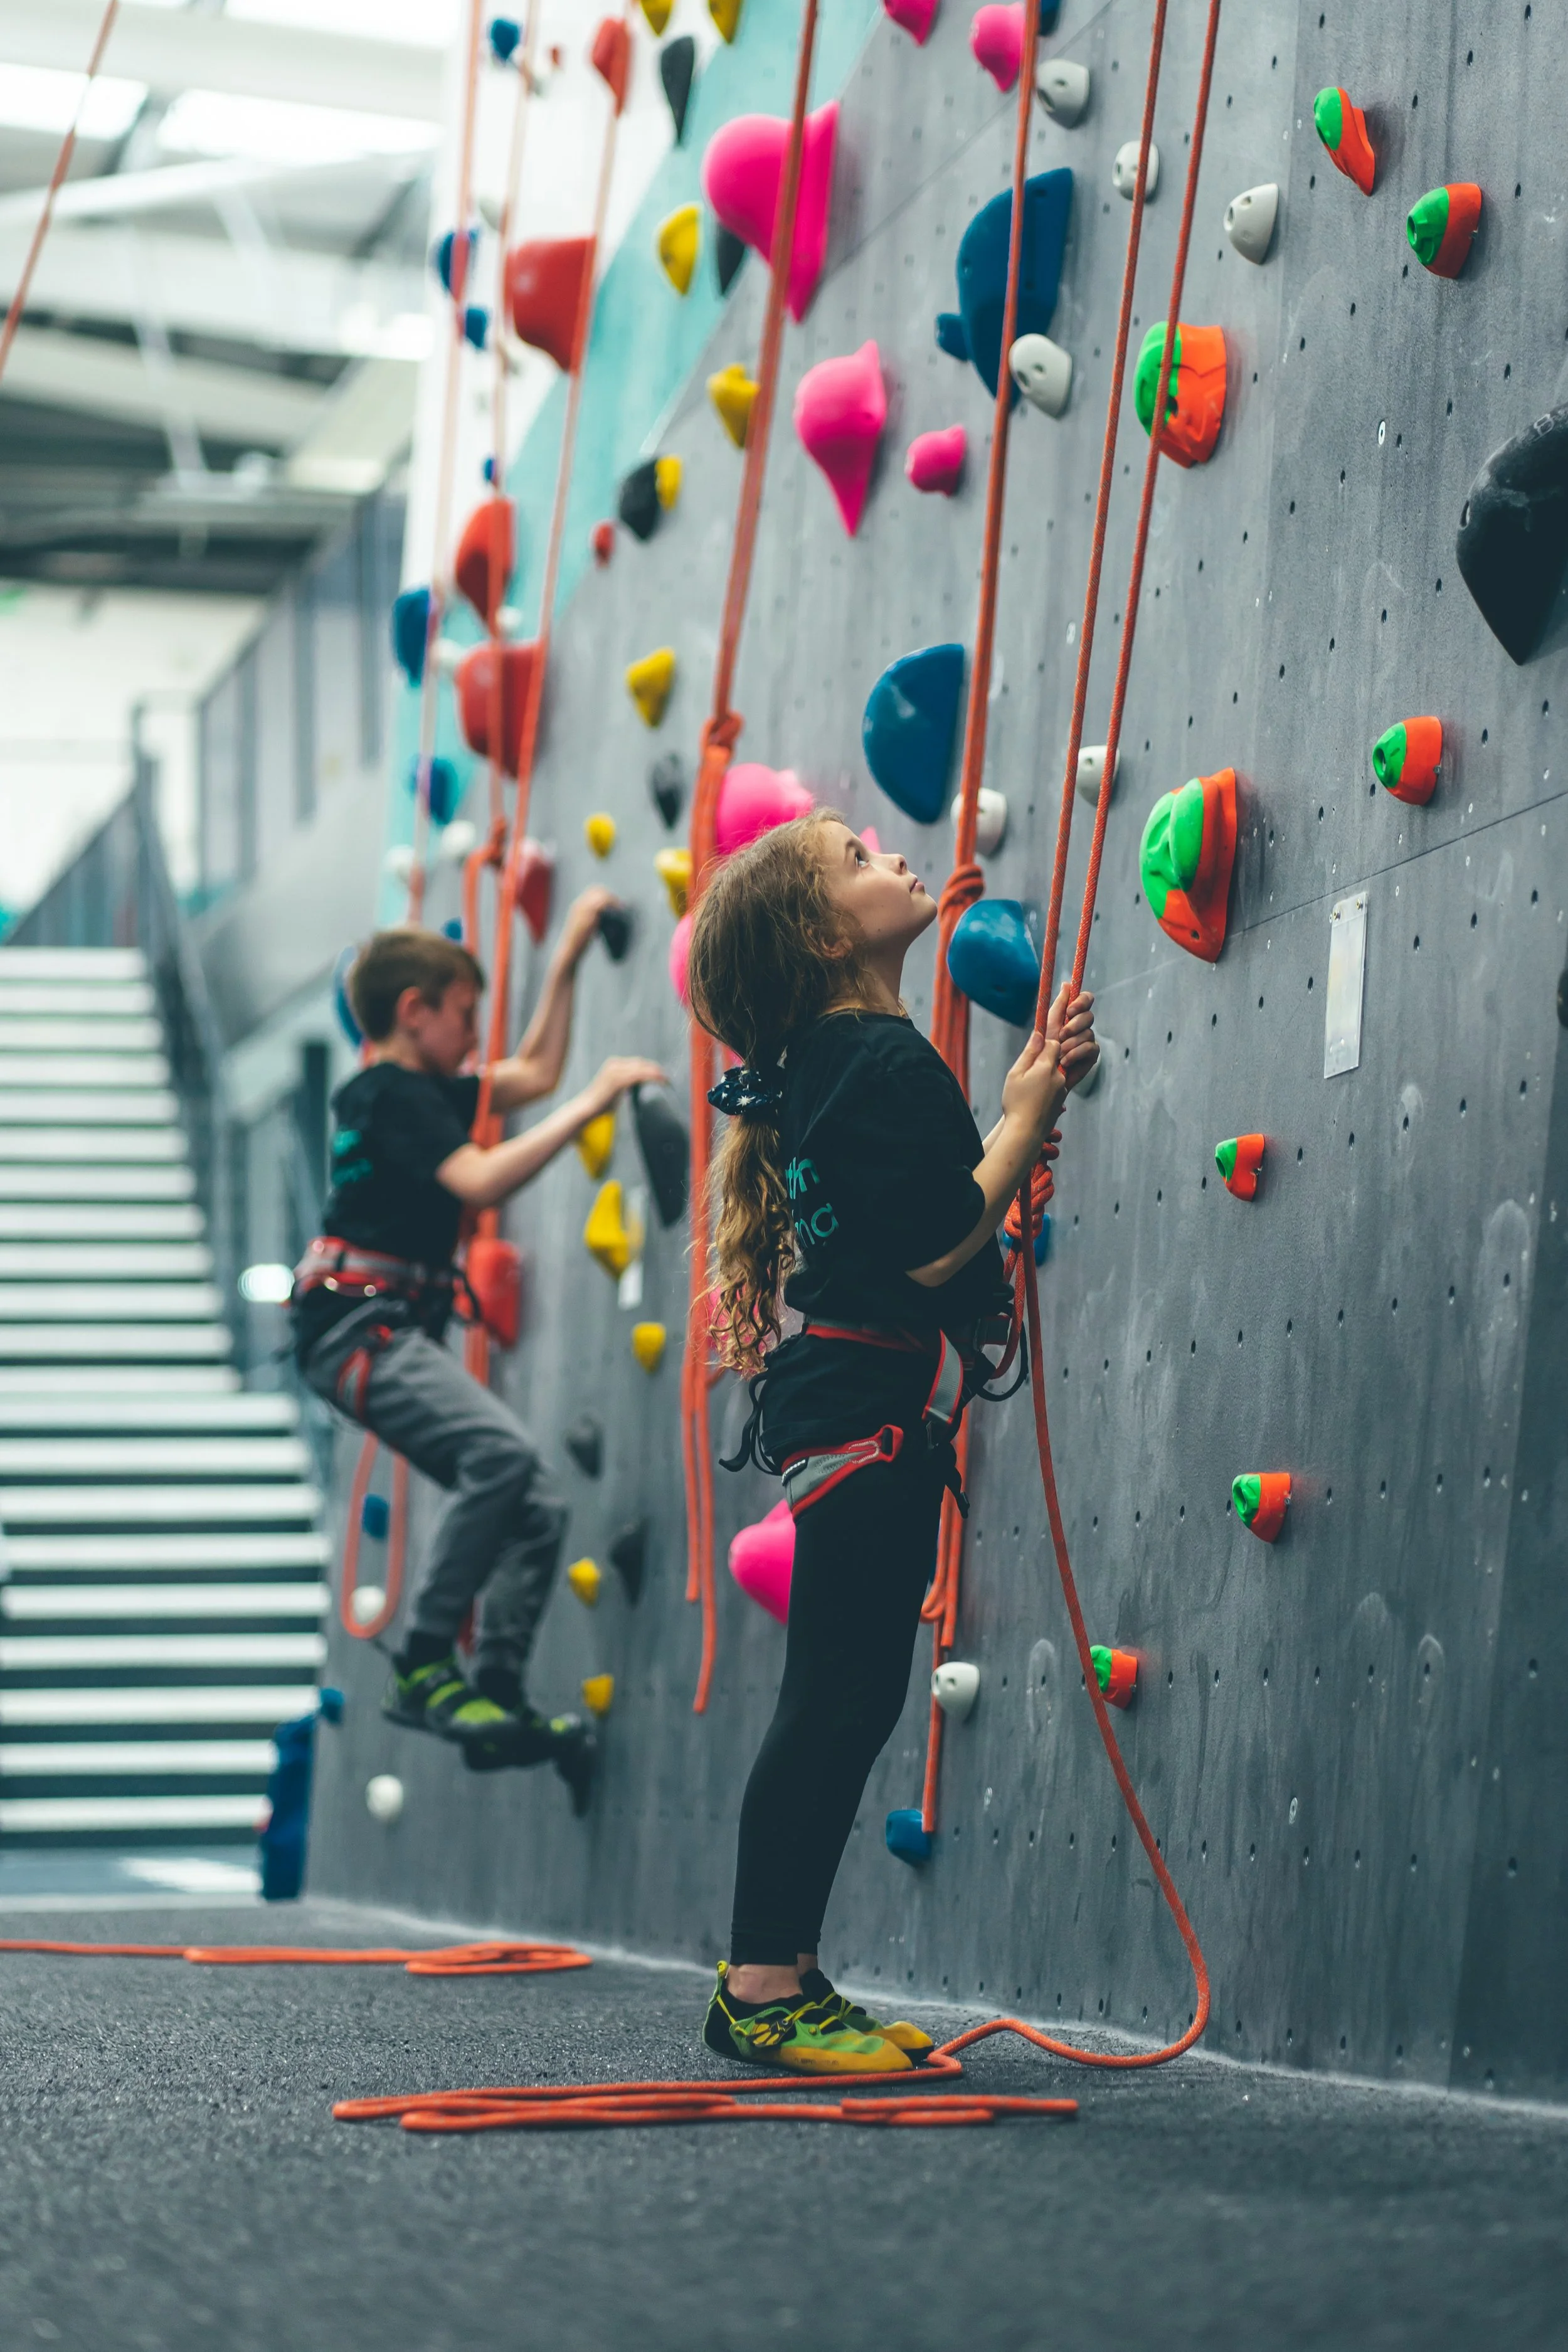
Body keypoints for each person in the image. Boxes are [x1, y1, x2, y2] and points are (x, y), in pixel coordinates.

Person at [686, 810, 1096, 2072]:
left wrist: (1004, 1145)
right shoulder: (877, 1059)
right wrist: (1024, 1111)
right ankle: (761, 1986)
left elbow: (907, 1229)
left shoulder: (833, 1065)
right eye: (858, 864)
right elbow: (931, 1245)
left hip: (850, 1409)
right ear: (822, 934)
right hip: (863, 1415)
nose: (892, 859)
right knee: (837, 1698)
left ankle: (788, 1975)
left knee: (845, 1695)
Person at [292, 904, 664, 1809]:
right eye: (463, 1014)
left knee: (533, 1504)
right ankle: (423, 1661)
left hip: (373, 1326)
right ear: (414, 1010)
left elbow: (532, 1069)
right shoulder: (395, 1097)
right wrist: (596, 1099)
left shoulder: (410, 1092)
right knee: (500, 1459)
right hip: (356, 1328)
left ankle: (493, 1690)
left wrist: (568, 954)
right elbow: (483, 1179)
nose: (472, 1037)